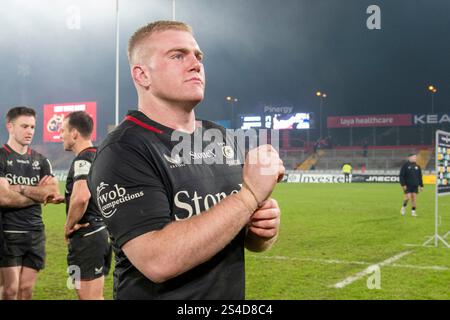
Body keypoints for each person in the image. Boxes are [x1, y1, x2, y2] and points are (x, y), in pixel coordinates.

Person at [88, 20, 285, 299]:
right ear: (142, 75)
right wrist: (249, 196)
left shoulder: (220, 137)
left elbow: (241, 234)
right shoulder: (123, 151)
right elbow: (158, 260)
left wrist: (261, 230)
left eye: (198, 56)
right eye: (178, 55)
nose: (195, 64)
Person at [0, 106, 64, 300]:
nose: (30, 131)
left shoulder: (41, 160)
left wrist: (20, 188)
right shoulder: (1, 157)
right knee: (10, 290)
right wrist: (38, 193)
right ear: (10, 126)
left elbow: (53, 192)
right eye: (24, 126)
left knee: (26, 290)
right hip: (8, 233)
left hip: (35, 233)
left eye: (33, 127)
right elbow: (3, 197)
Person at [60, 111, 112, 300]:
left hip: (87, 236)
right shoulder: (100, 155)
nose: (60, 135)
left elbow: (81, 197)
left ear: (74, 133)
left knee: (89, 297)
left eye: (63, 130)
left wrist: (68, 226)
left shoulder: (83, 159)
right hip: (101, 233)